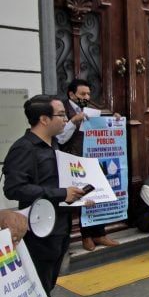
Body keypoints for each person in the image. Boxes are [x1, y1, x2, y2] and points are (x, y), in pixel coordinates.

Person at [3, 94, 89, 297]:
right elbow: (14, 188)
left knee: (46, 287)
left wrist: (80, 196)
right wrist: (61, 193)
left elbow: (58, 184)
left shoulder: (53, 145)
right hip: (37, 231)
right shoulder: (24, 148)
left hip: (59, 225)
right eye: (61, 114)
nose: (66, 119)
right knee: (38, 288)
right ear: (43, 119)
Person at [57, 78, 119, 251]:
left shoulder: (90, 109)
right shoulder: (62, 110)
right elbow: (60, 138)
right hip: (73, 162)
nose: (86, 97)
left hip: (92, 159)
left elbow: (100, 125)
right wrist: (73, 121)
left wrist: (114, 119)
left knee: (97, 196)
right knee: (80, 197)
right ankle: (85, 237)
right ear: (71, 94)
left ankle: (99, 233)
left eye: (88, 94)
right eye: (82, 94)